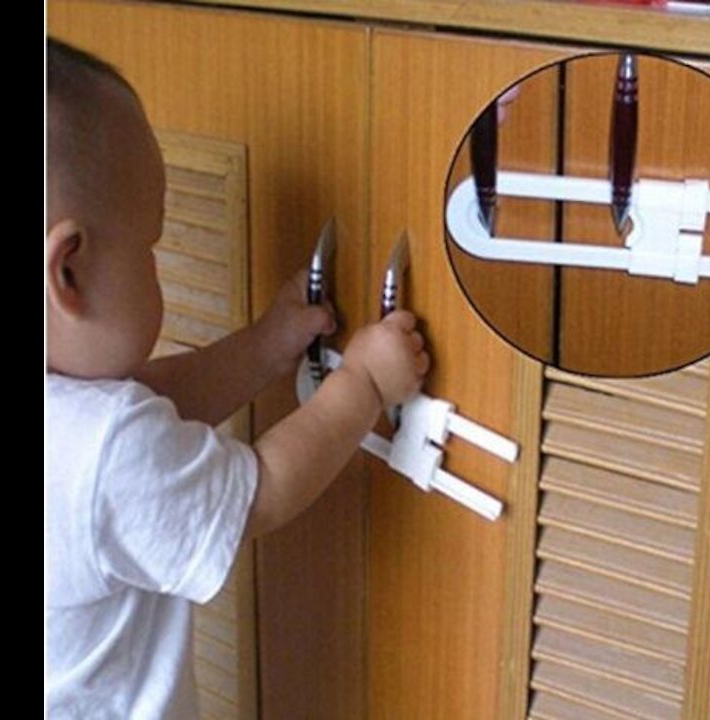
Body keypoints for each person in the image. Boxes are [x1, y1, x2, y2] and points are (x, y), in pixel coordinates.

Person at [45, 37, 429, 718]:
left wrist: (264, 347)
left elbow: (156, 405)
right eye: (152, 247)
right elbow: (263, 491)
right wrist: (365, 380)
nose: (155, 262)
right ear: (68, 271)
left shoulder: (80, 429)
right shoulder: (103, 451)